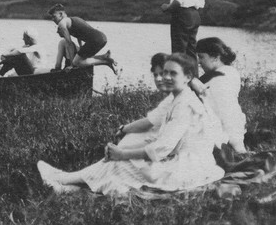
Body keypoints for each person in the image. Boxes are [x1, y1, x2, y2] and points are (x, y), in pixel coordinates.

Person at [37, 53, 224, 196]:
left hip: (188, 167)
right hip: (180, 158)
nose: (165, 77)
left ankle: (63, 180)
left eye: (172, 73)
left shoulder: (185, 105)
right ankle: (65, 185)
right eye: (164, 72)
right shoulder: (178, 98)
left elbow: (163, 148)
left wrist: (122, 153)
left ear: (188, 76)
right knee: (123, 161)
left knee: (123, 164)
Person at [193, 37, 246, 153]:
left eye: (201, 57)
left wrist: (237, 144)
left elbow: (226, 113)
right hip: (231, 130)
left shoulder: (220, 79)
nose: (198, 62)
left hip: (224, 135)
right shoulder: (230, 72)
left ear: (215, 58)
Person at [47, 4, 118, 74]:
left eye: (54, 16)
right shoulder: (73, 19)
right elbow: (79, 35)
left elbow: (69, 43)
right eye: (51, 18)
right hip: (102, 38)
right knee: (82, 59)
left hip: (95, 40)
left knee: (76, 63)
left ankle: (105, 61)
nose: (53, 20)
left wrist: (72, 65)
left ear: (61, 14)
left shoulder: (62, 24)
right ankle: (104, 57)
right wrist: (81, 49)